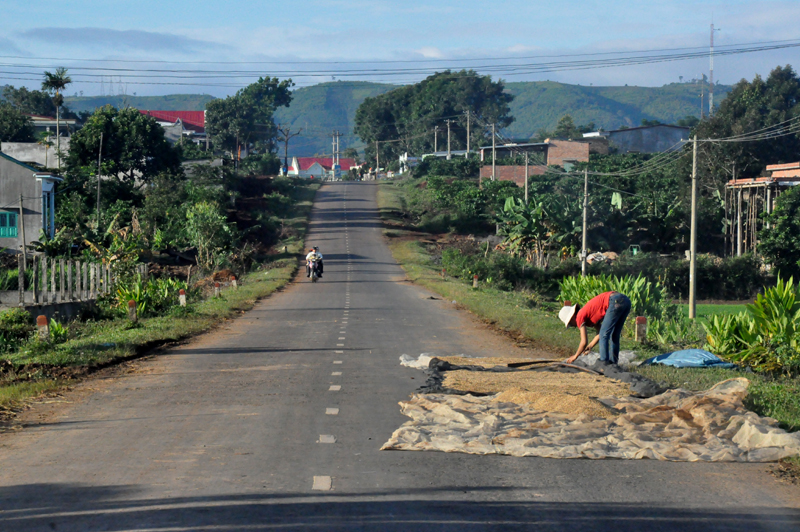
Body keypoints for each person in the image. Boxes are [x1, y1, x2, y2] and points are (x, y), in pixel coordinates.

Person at [559, 291, 631, 365]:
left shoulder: (579, 317)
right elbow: (600, 332)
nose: (573, 326)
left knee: (605, 335)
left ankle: (604, 363)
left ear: (572, 317)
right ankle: (613, 364)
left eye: (570, 323)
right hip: (625, 301)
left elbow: (584, 342)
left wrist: (575, 356)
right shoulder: (588, 315)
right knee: (614, 335)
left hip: (614, 301)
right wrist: (590, 346)